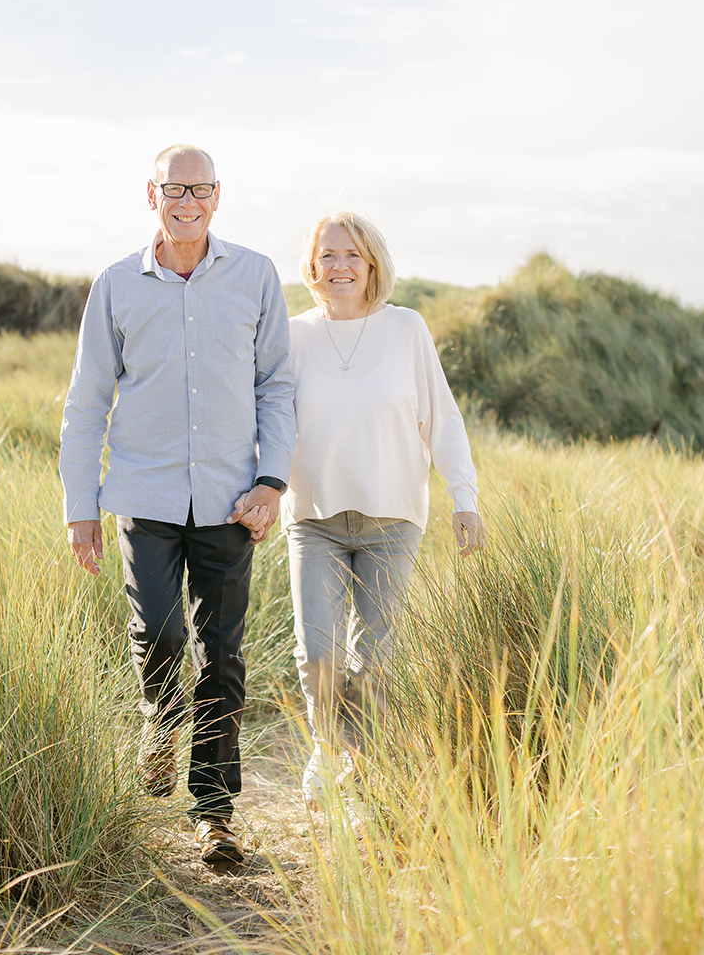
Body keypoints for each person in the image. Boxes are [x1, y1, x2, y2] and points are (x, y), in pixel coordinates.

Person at [59, 144, 295, 864]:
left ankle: (214, 812)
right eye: (173, 188)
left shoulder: (255, 277)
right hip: (145, 493)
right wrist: (81, 505)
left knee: (221, 656)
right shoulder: (116, 285)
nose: (186, 201)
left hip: (231, 501)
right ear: (151, 195)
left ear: (218, 197)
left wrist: (271, 481)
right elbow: (88, 399)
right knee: (160, 636)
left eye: (199, 188)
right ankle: (158, 727)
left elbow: (277, 386)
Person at [283, 211, 485, 806]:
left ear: (372, 264)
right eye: (328, 256)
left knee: (374, 658)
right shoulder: (292, 334)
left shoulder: (406, 329)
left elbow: (442, 419)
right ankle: (326, 746)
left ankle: (364, 778)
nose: (340, 266)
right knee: (317, 650)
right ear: (312, 266)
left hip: (393, 519)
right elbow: (266, 421)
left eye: (353, 256)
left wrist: (464, 498)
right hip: (313, 515)